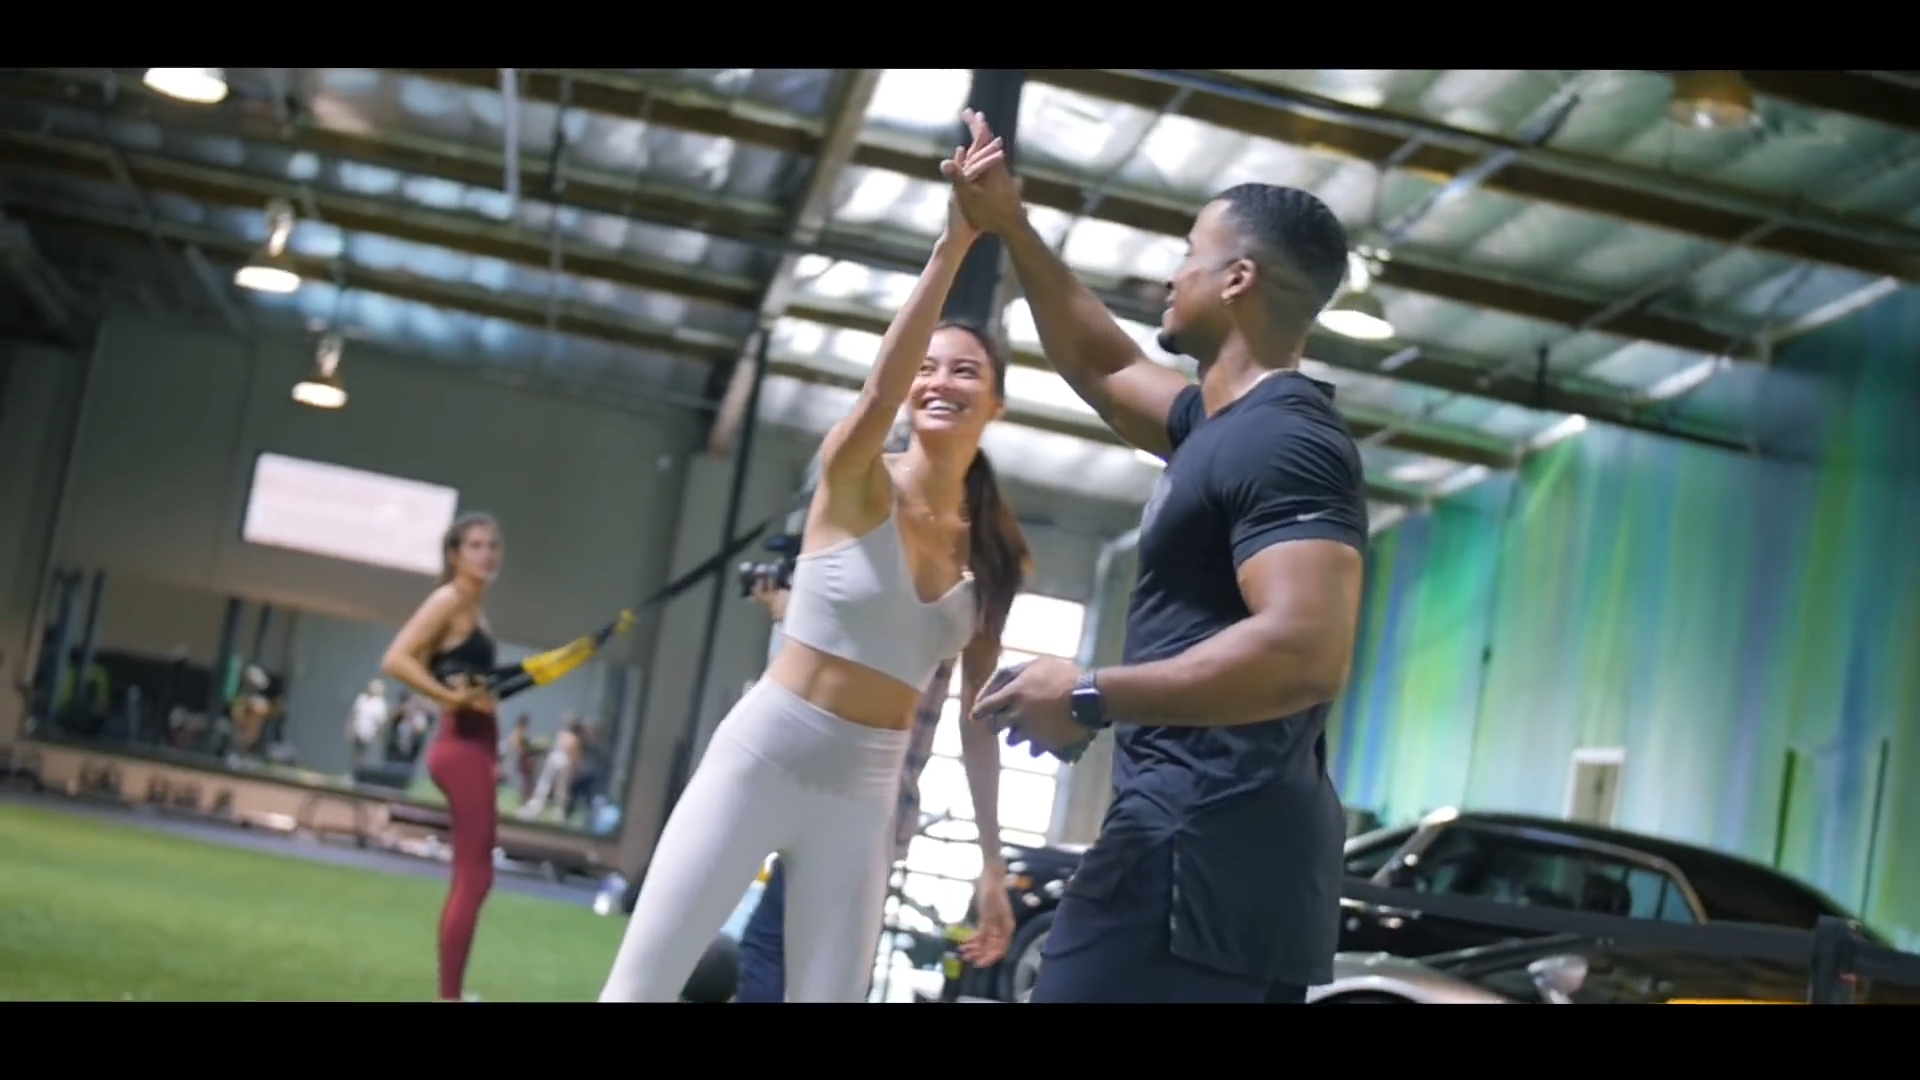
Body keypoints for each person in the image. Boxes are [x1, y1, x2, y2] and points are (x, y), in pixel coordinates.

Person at [950, 110, 1369, 1004]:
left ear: (1238, 278)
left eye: (1190, 254)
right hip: (1217, 858)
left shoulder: (1286, 441)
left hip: (1195, 853)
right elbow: (1102, 366)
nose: (1173, 274)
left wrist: (1090, 693)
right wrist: (1011, 224)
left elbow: (1306, 651)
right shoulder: (1215, 427)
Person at [598, 129, 1025, 1003]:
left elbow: (978, 719)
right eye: (929, 368)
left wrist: (991, 862)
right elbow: (877, 391)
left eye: (966, 372)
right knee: (638, 991)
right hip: (763, 752)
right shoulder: (857, 476)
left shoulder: (995, 550)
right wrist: (953, 244)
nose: (940, 382)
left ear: (997, 402)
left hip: (865, 794)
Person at [736, 566, 1033, 1002]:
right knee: (804, 962)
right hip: (863, 809)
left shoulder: (919, 573)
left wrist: (788, 608)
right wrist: (992, 861)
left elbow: (976, 725)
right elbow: (977, 727)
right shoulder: (964, 581)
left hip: (843, 798)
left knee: (783, 958)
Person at [380, 512, 506, 1002]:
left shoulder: (475, 610)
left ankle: (451, 993)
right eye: (475, 545)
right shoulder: (449, 600)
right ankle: (448, 997)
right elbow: (396, 658)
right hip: (460, 746)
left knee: (476, 874)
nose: (486, 554)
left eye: (492, 545)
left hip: (477, 745)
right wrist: (448, 697)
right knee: (474, 875)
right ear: (454, 554)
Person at [348, 679, 390, 769]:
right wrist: (350, 728)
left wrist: (379, 736)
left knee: (366, 756)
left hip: (370, 734)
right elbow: (354, 714)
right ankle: (354, 771)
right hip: (357, 731)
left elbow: (381, 721)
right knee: (355, 754)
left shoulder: (380, 704)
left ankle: (362, 772)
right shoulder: (361, 699)